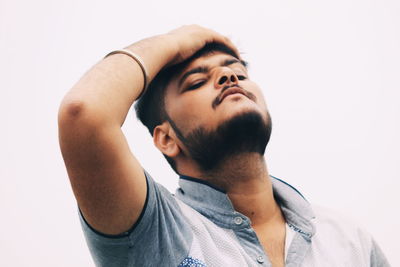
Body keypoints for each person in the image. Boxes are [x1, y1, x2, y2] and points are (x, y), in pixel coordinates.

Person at [58, 25, 390, 267]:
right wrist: (176, 41)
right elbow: (84, 114)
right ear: (166, 138)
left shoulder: (348, 239)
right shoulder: (157, 230)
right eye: (198, 82)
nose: (228, 78)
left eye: (238, 72)